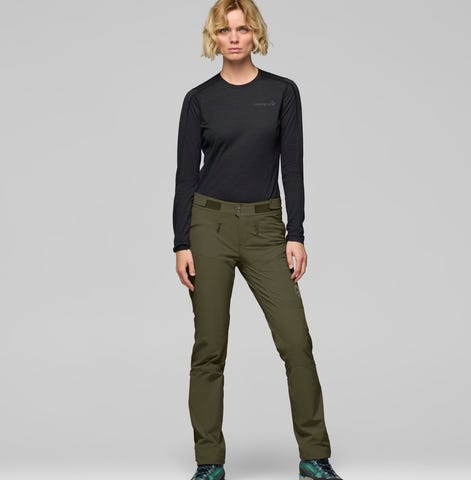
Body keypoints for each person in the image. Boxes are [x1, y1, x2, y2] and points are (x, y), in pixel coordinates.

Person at [172, 1, 343, 479]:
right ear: (214, 37)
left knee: (296, 342)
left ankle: (314, 456)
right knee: (210, 347)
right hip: (208, 226)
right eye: (224, 30)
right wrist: (181, 242)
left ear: (255, 35)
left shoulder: (282, 92)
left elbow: (294, 167)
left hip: (267, 227)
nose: (234, 38)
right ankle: (209, 462)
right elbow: (185, 176)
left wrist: (296, 233)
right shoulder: (199, 100)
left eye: (242, 29)